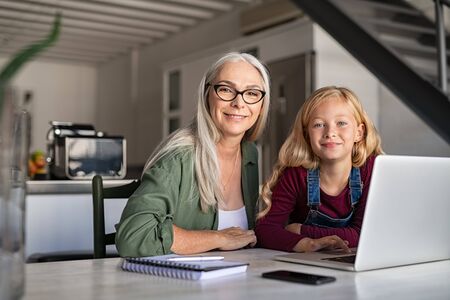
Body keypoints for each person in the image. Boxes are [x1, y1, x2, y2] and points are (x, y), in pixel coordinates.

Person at [115, 52, 271, 257]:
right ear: (207, 96)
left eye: (251, 93)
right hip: (178, 284)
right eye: (225, 89)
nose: (239, 103)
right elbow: (133, 236)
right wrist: (219, 238)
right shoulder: (179, 157)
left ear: (261, 106)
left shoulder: (250, 154)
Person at [255, 86, 383, 253]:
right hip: (308, 266)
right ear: (307, 134)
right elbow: (265, 230)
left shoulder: (372, 170)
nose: (330, 132)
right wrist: (309, 243)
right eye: (319, 124)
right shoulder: (296, 174)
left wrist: (301, 231)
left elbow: (363, 235)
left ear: (359, 133)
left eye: (341, 123)